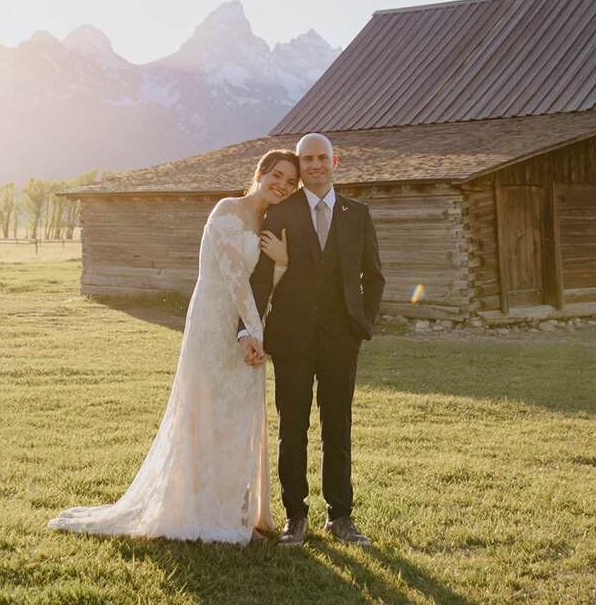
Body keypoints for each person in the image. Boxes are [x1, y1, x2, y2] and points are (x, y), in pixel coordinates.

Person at [47, 150, 300, 544]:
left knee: (239, 410)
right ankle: (198, 509)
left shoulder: (269, 222)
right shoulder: (227, 209)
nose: (282, 186)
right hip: (215, 318)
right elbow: (234, 278)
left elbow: (260, 285)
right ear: (261, 172)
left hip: (248, 322)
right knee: (206, 409)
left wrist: (281, 265)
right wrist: (252, 333)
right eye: (278, 176)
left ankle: (236, 510)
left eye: (291, 183)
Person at [239, 133, 385, 546]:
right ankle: (296, 517)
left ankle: (340, 517)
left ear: (335, 161)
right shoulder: (281, 212)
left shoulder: (358, 213)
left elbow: (373, 277)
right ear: (300, 166)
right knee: (293, 428)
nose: (316, 165)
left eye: (323, 157)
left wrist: (363, 323)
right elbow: (263, 277)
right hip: (291, 338)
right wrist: (250, 327)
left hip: (342, 339)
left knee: (337, 427)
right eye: (308, 159)